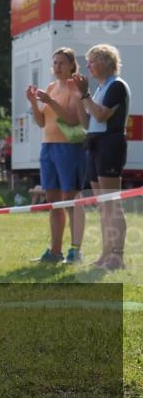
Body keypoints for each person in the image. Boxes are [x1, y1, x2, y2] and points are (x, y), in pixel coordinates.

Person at [26, 47, 86, 264]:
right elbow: (42, 122)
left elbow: (72, 119)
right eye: (55, 63)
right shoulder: (51, 86)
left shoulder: (74, 86)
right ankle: (55, 251)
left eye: (61, 62)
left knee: (71, 200)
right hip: (48, 146)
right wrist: (34, 102)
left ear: (71, 65)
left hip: (68, 148)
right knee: (53, 202)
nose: (57, 67)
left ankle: (76, 250)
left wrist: (50, 102)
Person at [74, 44, 130, 270]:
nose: (88, 66)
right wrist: (79, 97)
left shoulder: (116, 85)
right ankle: (106, 253)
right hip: (95, 143)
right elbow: (88, 123)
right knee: (101, 205)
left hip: (110, 144)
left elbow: (102, 114)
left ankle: (117, 255)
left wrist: (85, 95)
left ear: (107, 62)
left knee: (111, 203)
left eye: (92, 61)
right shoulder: (98, 88)